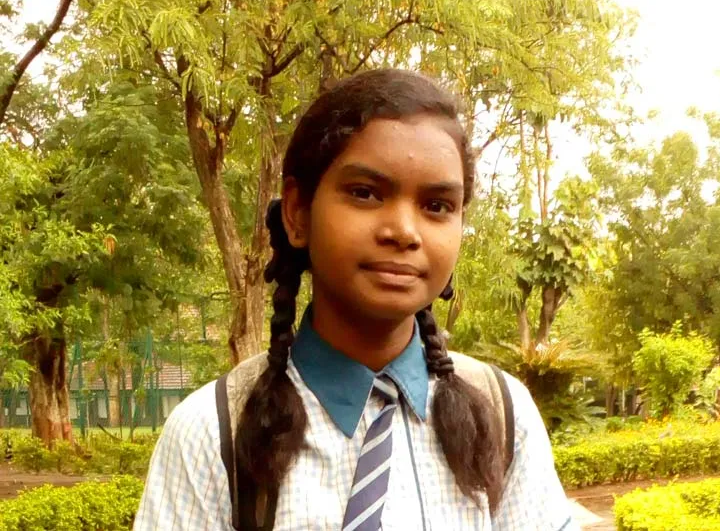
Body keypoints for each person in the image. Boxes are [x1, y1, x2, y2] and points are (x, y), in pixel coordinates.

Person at [134, 69, 576, 531]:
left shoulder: (502, 416)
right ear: (297, 213)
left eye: (437, 206)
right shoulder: (212, 433)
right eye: (364, 193)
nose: (404, 231)